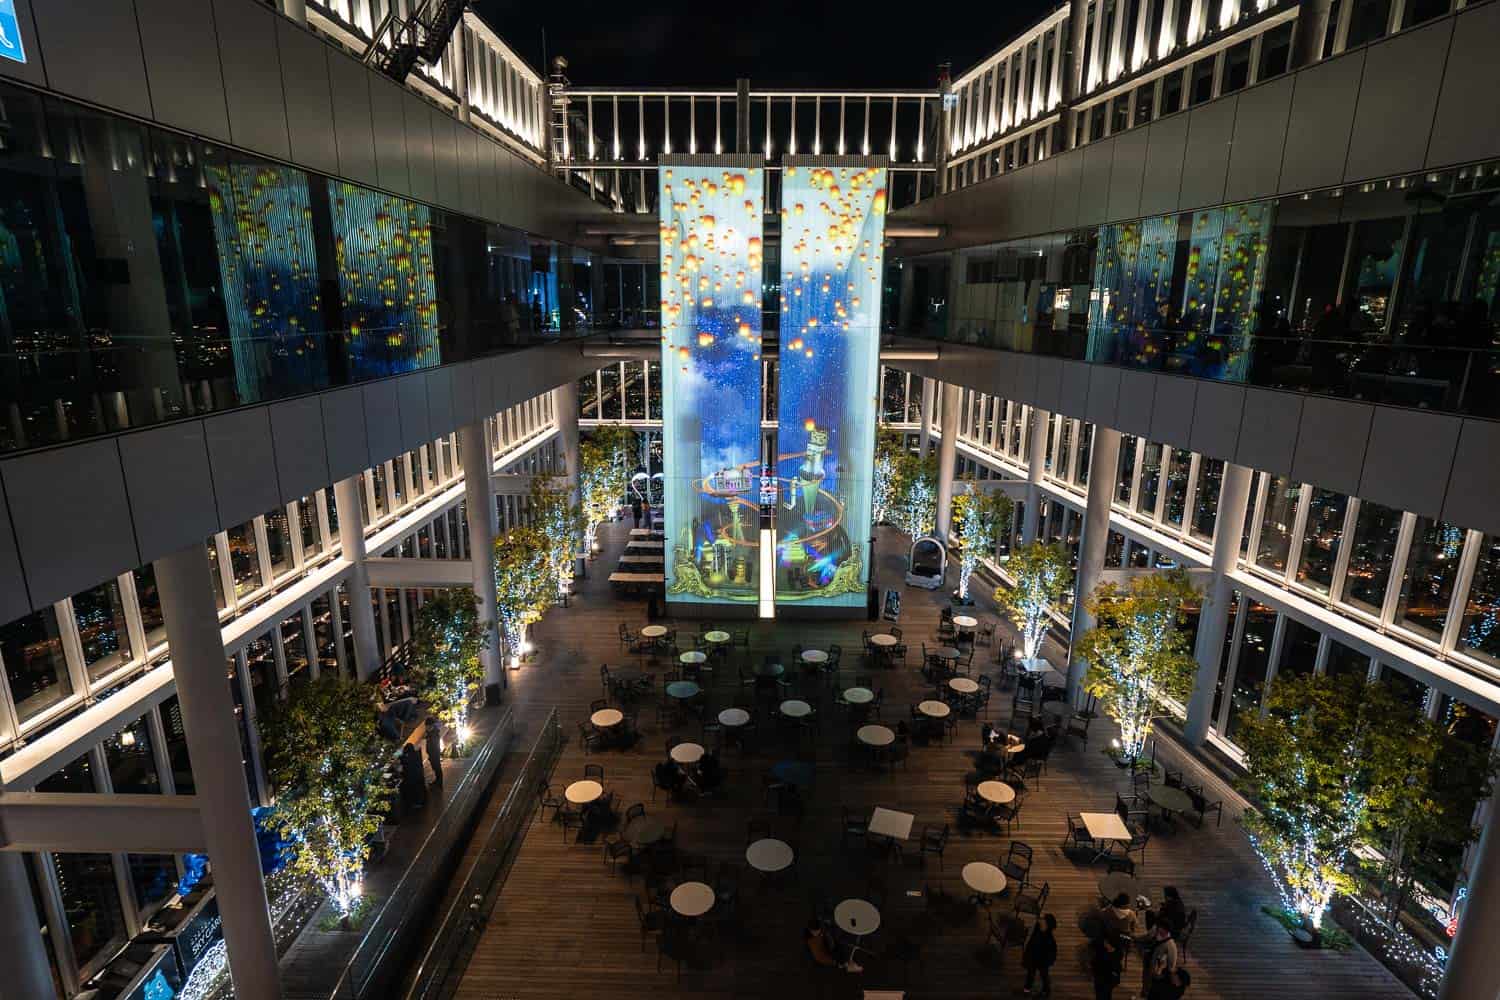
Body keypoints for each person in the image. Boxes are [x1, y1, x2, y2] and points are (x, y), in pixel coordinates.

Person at [1022, 913, 1058, 996]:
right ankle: (1027, 989)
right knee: (1030, 974)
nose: (1041, 920)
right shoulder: (1036, 929)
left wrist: (1049, 960)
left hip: (1043, 960)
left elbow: (1052, 951)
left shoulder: (1049, 938)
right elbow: (1030, 943)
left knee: (1044, 975)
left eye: (1043, 920)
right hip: (1033, 957)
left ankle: (1046, 990)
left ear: (1047, 925)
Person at [1142, 921, 1180, 999]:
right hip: (1149, 965)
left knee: (1152, 990)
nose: (1158, 929)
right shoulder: (1158, 936)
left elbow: (1171, 965)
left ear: (1166, 930)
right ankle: (1145, 992)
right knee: (1146, 982)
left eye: (1160, 928)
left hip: (1157, 975)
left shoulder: (1171, 946)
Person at [1091, 933, 1123, 1000]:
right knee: (1105, 994)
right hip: (1105, 977)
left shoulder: (1107, 954)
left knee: (1103, 994)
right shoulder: (1115, 953)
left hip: (1105, 977)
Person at [423, 716, 445, 787]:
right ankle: (438, 781)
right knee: (435, 768)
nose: (426, 728)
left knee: (437, 768)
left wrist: (432, 755)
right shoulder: (431, 732)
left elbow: (434, 746)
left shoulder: (433, 734)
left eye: (426, 726)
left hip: (434, 754)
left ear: (430, 725)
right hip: (433, 754)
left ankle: (439, 783)